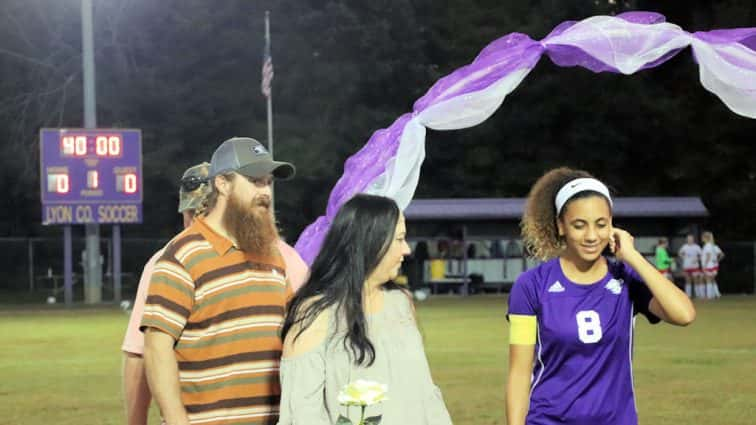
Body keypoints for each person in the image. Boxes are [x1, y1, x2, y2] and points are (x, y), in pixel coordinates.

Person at [121, 161, 309, 425]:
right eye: (191, 212)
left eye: (267, 183)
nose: (197, 219)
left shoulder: (282, 258)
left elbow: (306, 344)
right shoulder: (174, 259)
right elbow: (148, 351)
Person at [506, 167, 695, 425]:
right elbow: (519, 373)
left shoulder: (627, 278)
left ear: (612, 224)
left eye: (601, 224)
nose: (592, 236)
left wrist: (633, 257)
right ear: (561, 226)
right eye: (579, 225)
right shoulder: (530, 286)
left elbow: (684, 315)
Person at [277, 194, 453, 425]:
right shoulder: (314, 316)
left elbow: (425, 393)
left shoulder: (400, 303)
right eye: (399, 239)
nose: (407, 250)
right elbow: (302, 414)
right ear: (370, 243)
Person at [678, 234, 704, 299]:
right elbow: (679, 253)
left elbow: (701, 255)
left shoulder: (696, 247)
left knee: (696, 280)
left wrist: (697, 259)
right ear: (687, 240)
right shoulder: (684, 246)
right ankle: (688, 295)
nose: (690, 240)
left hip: (695, 266)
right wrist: (683, 257)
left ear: (693, 239)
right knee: (688, 281)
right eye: (688, 239)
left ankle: (698, 294)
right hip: (686, 266)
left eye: (691, 239)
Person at [701, 231, 724, 299]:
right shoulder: (712, 246)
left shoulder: (707, 246)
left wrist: (704, 265)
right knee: (712, 280)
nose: (701, 238)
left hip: (709, 265)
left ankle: (709, 296)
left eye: (702, 237)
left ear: (705, 238)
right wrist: (717, 260)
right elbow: (720, 255)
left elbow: (708, 256)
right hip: (713, 265)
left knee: (708, 280)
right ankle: (716, 294)